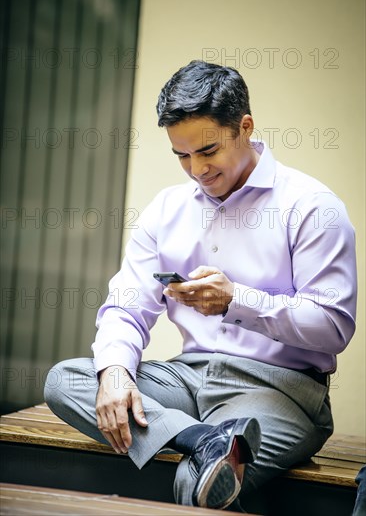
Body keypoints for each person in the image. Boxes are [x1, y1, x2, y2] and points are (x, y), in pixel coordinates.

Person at [45, 60, 357, 511]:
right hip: (187, 379)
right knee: (67, 379)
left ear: (244, 127)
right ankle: (203, 439)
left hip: (279, 389)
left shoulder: (312, 207)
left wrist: (237, 301)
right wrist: (115, 374)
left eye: (208, 150)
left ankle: (210, 447)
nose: (196, 170)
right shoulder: (166, 209)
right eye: (182, 155)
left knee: (199, 485)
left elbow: (333, 327)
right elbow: (126, 307)